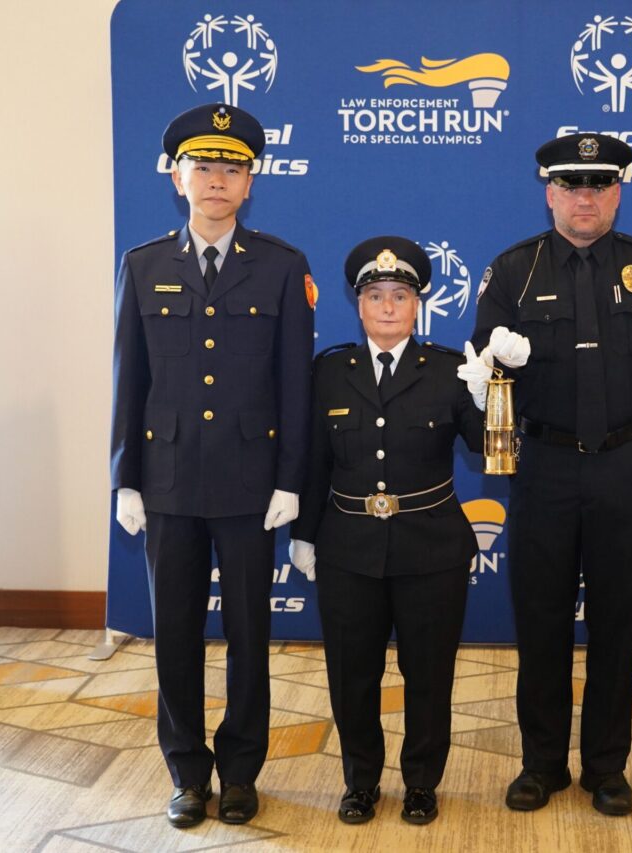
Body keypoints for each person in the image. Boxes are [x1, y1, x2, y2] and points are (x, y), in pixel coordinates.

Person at [465, 133, 632, 816]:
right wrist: (494, 364)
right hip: (542, 465)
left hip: (626, 467)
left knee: (617, 624)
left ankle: (606, 765)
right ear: (549, 192)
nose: (585, 198)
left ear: (618, 192)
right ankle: (541, 763)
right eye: (572, 185)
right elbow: (480, 381)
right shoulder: (514, 271)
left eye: (599, 185)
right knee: (539, 622)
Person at [110, 103, 315, 828]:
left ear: (251, 181)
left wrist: (291, 478)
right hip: (166, 480)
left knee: (251, 633)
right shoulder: (143, 265)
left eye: (232, 168)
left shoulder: (284, 267)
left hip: (250, 481)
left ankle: (240, 770)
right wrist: (124, 475)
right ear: (177, 177)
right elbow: (128, 380)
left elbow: (296, 384)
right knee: (174, 634)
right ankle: (187, 771)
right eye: (204, 166)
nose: (217, 180)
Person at [289, 236, 484, 826]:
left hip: (432, 547)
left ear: (418, 303)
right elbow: (312, 461)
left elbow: (492, 452)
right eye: (376, 295)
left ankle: (422, 782)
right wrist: (304, 532)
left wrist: (490, 396)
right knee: (352, 675)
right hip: (349, 546)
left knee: (428, 674)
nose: (389, 306)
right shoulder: (329, 372)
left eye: (400, 295)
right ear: (359, 305)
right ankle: (361, 781)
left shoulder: (453, 371)